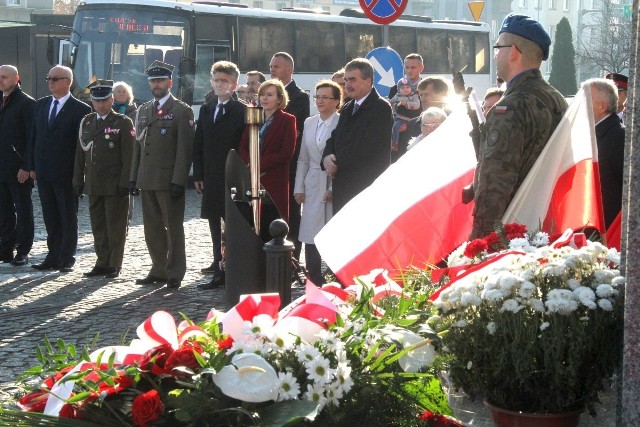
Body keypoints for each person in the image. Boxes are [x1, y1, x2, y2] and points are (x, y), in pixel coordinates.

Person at [469, 14, 568, 239]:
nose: (495, 55)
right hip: (546, 224)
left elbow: (496, 182)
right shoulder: (556, 98)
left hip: (512, 230)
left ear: (513, 52)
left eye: (497, 48)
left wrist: (481, 238)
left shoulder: (511, 107)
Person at [130, 61, 195, 289]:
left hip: (168, 181)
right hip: (147, 178)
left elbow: (184, 150)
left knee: (173, 228)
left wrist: (179, 180)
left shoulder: (181, 111)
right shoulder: (144, 110)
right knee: (152, 228)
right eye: (152, 81)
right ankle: (158, 268)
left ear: (170, 83)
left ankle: (175, 271)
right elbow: (138, 146)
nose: (156, 85)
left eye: (160, 81)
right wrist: (133, 177)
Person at [24, 65, 91, 272]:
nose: (50, 82)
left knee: (67, 216)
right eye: (48, 78)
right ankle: (52, 255)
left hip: (66, 173)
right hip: (43, 172)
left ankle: (66, 256)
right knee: (50, 216)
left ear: (68, 82)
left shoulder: (81, 109)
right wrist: (31, 165)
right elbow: (33, 137)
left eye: (55, 79)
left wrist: (80, 174)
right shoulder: (42, 104)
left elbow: (81, 146)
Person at [193, 61, 246, 290]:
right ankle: (218, 267)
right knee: (215, 224)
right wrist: (199, 173)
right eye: (215, 80)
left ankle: (234, 269)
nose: (218, 84)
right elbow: (199, 143)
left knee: (233, 225)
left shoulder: (242, 110)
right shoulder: (206, 109)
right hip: (211, 176)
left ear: (233, 85)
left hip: (232, 175)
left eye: (224, 80)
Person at [73, 80, 134, 279]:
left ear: (112, 99)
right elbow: (80, 154)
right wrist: (77, 180)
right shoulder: (87, 121)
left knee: (115, 226)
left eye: (105, 100)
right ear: (92, 100)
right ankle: (101, 261)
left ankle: (114, 263)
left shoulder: (122, 122)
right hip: (94, 182)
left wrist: (126, 182)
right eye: (97, 100)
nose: (101, 104)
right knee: (98, 225)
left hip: (115, 183)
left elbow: (128, 156)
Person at [321, 58, 393, 214]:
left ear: (368, 81)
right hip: (343, 186)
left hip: (364, 188)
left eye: (352, 79)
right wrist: (326, 157)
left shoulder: (381, 108)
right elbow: (335, 137)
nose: (347, 85)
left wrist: (336, 163)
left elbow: (366, 147)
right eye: (346, 80)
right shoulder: (348, 107)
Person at [294, 80, 341, 285]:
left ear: (336, 101)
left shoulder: (341, 122)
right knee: (310, 231)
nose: (320, 101)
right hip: (312, 180)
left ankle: (333, 275)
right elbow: (303, 157)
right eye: (317, 97)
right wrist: (298, 187)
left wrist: (333, 187)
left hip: (333, 179)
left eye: (325, 97)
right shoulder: (309, 122)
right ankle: (313, 276)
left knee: (332, 229)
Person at [238, 79, 296, 238]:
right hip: (252, 181)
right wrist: (249, 164)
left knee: (273, 228)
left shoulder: (287, 120)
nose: (264, 98)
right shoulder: (254, 116)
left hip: (273, 182)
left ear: (279, 98)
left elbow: (286, 153)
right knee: (253, 227)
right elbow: (243, 146)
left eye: (269, 95)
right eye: (262, 94)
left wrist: (259, 166)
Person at [269, 52, 310, 260]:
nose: (272, 69)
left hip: (290, 164)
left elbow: (297, 130)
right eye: (271, 66)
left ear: (289, 69)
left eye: (276, 66)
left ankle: (292, 257)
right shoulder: (266, 93)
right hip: (270, 166)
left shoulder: (300, 96)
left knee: (292, 212)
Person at [0, 65, 35, 266]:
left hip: (18, 167)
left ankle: (23, 250)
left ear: (16, 79)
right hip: (1, 166)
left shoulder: (26, 103)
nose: (1, 80)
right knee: (3, 210)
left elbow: (32, 138)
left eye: (4, 77)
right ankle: (6, 249)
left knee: (23, 209)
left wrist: (27, 165)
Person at [584, 78, 624, 229]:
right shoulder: (592, 134)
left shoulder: (619, 138)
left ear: (602, 106)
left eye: (586, 100)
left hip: (610, 230)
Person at [396, 76, 451, 160]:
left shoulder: (453, 121)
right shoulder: (412, 124)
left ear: (442, 94)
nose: (423, 99)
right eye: (421, 95)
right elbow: (402, 158)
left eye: (427, 94)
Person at [388, 53, 424, 160]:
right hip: (397, 137)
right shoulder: (395, 89)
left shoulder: (426, 87)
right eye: (407, 67)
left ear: (421, 68)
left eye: (413, 67)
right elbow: (391, 112)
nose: (409, 70)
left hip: (418, 135)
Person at [390, 77, 420, 152]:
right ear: (399, 89)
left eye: (407, 87)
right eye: (402, 88)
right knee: (392, 126)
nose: (405, 89)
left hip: (408, 119)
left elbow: (417, 105)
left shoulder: (414, 95)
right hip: (398, 117)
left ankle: (395, 143)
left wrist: (406, 104)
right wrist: (389, 102)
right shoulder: (397, 96)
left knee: (396, 126)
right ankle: (393, 142)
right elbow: (392, 101)